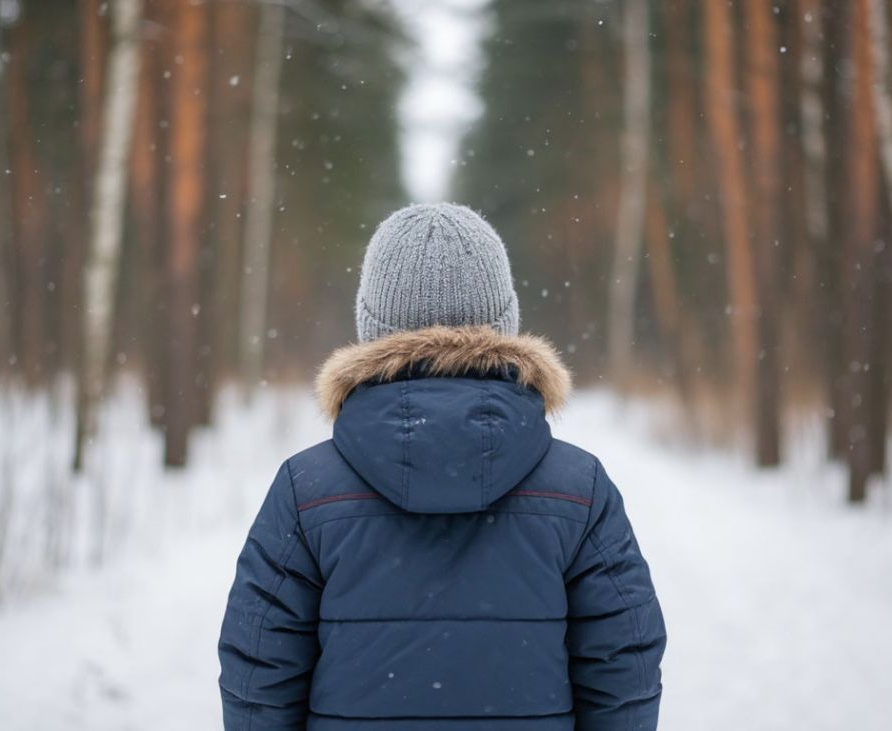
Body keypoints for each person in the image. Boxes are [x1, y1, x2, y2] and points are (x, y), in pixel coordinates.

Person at [217, 203, 666, 730]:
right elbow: (625, 666)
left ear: (371, 327)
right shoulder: (579, 489)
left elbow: (257, 673)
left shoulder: (307, 489)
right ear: (505, 321)